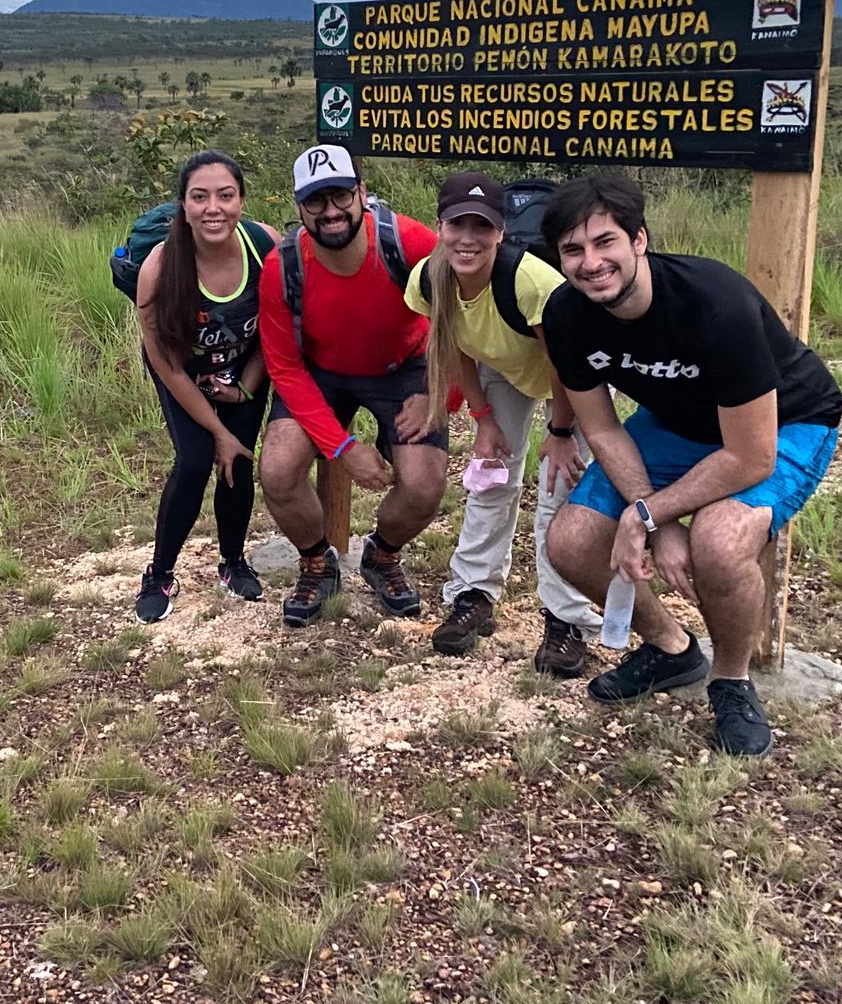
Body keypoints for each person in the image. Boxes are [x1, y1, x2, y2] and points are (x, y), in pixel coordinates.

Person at [540, 173, 842, 756]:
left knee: (720, 542)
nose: (591, 262)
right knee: (572, 541)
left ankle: (731, 681)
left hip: (785, 421)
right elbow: (600, 427)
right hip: (678, 422)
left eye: (605, 242)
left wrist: (650, 514)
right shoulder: (566, 315)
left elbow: (750, 455)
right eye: (573, 250)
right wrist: (657, 517)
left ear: (639, 241)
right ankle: (671, 649)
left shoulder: (715, 304)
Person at [397, 171, 603, 668]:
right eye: (456, 225)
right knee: (490, 479)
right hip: (506, 366)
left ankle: (567, 618)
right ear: (440, 226)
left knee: (560, 494)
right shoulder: (430, 276)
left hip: (575, 378)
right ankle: (473, 595)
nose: (468, 238)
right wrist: (483, 418)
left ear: (500, 232)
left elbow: (565, 362)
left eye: (481, 227)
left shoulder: (533, 282)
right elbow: (457, 344)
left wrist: (559, 433)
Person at [257, 144, 442, 627]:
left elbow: (459, 324)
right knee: (277, 468)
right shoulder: (283, 267)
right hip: (321, 371)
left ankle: (381, 555)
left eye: (340, 196)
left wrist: (439, 394)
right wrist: (341, 447)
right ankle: (317, 563)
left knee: (424, 487)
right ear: (299, 209)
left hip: (405, 368)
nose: (331, 212)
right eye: (315, 202)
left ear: (362, 194)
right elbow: (284, 367)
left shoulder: (410, 244)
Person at [133, 150, 282, 623]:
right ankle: (159, 573)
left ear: (241, 201)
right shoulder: (159, 268)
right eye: (199, 197)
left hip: (244, 368)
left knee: (238, 460)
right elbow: (164, 360)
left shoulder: (265, 246)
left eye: (225, 195)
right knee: (196, 460)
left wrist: (244, 389)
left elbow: (274, 332)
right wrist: (216, 429)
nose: (212, 208)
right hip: (183, 373)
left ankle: (233, 562)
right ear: (183, 204)